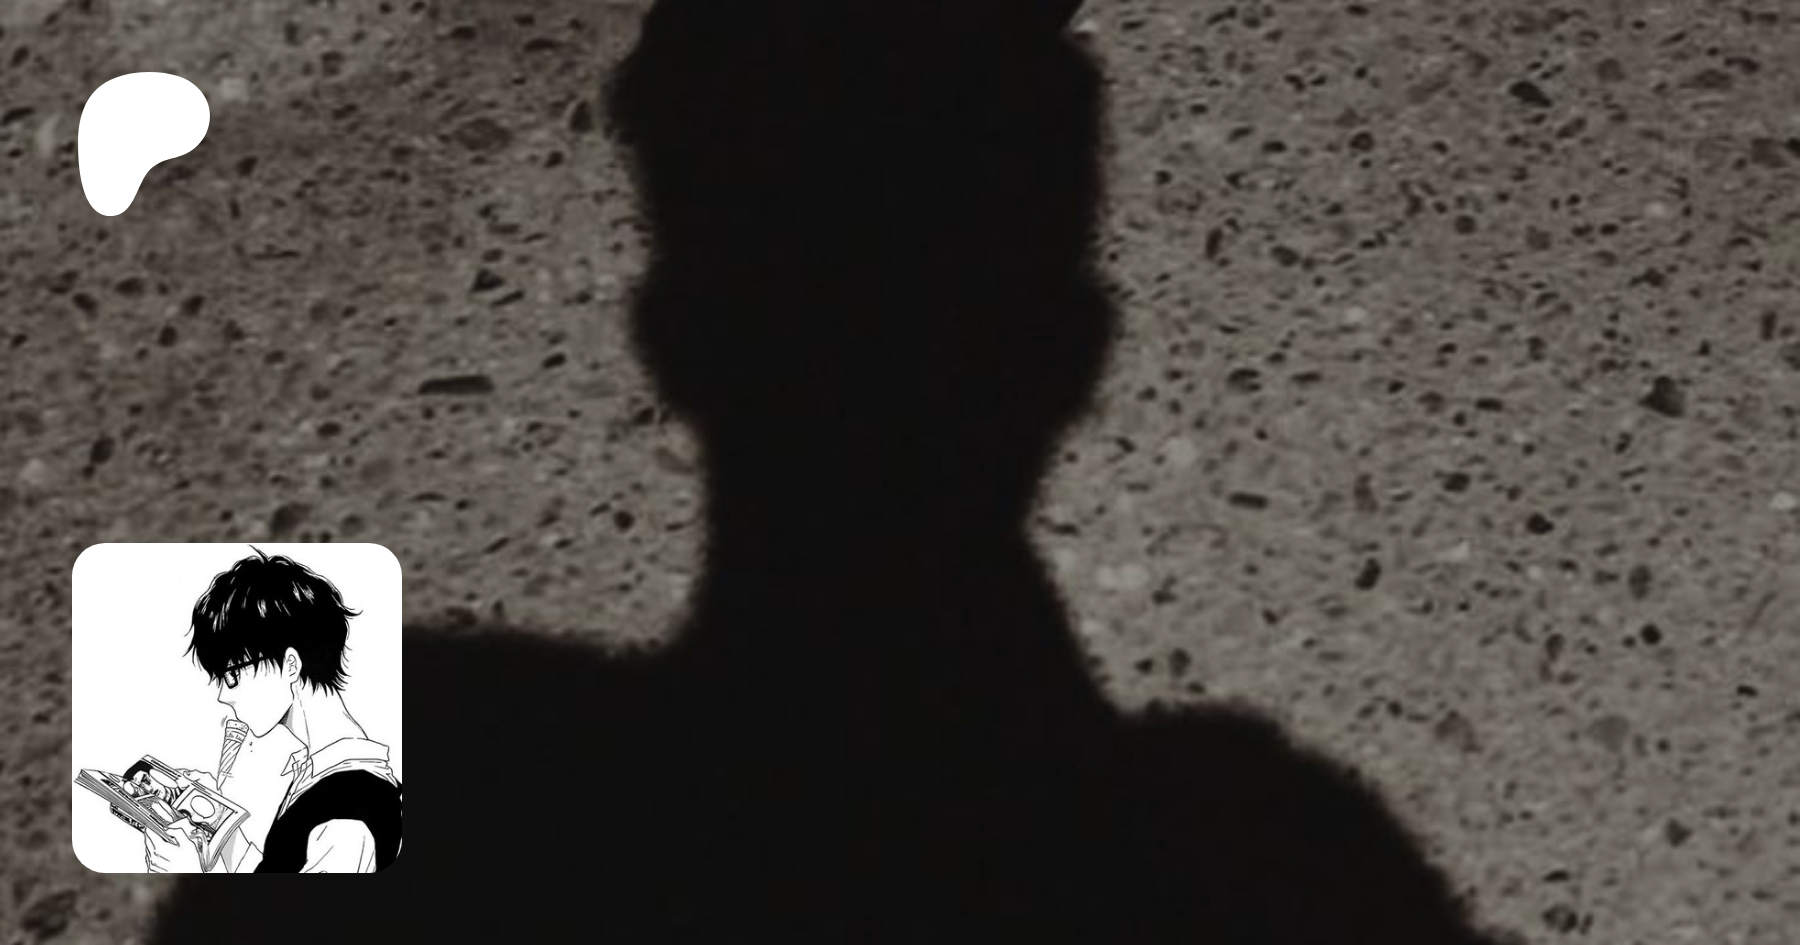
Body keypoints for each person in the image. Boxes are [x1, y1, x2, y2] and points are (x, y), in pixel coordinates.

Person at [144, 548, 402, 873]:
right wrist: (220, 821)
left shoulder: (347, 812)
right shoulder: (322, 777)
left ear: (290, 665)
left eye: (232, 676)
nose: (224, 696)